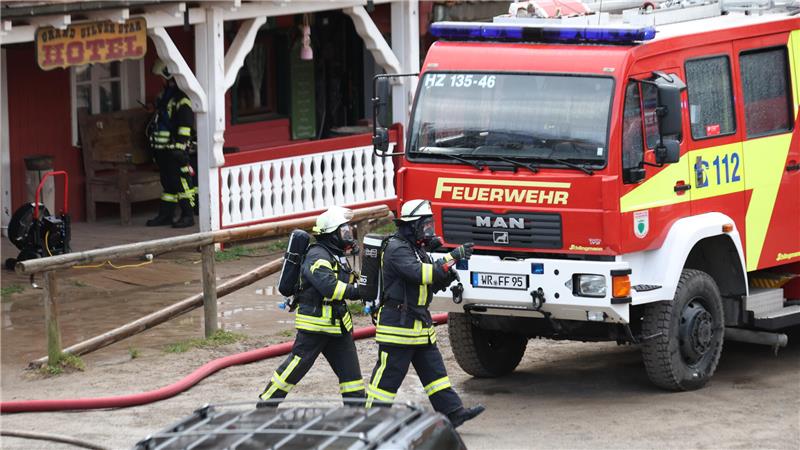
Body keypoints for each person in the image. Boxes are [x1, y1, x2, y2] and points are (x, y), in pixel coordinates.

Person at [366, 199, 485, 428]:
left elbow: (428, 284)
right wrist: (453, 257)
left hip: (419, 326)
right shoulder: (396, 249)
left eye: (430, 224)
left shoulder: (416, 249)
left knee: (436, 375)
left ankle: (453, 413)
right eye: (425, 225)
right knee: (386, 381)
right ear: (411, 225)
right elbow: (421, 274)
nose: (429, 230)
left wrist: (446, 276)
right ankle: (370, 421)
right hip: (399, 328)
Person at [258, 206, 365, 404]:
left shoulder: (335, 254)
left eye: (348, 230)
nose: (348, 235)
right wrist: (360, 291)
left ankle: (357, 409)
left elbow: (345, 281)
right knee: (294, 368)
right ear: (332, 234)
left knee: (352, 377)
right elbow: (330, 288)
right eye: (344, 231)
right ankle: (266, 404)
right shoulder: (317, 256)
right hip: (315, 325)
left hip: (337, 324)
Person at [146, 59, 197, 228]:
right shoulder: (165, 97)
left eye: (161, 77)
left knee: (181, 182)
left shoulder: (182, 99)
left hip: (175, 149)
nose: (160, 80)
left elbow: (185, 123)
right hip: (162, 149)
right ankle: (166, 215)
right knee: (168, 183)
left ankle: (188, 215)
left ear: (169, 75)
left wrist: (180, 146)